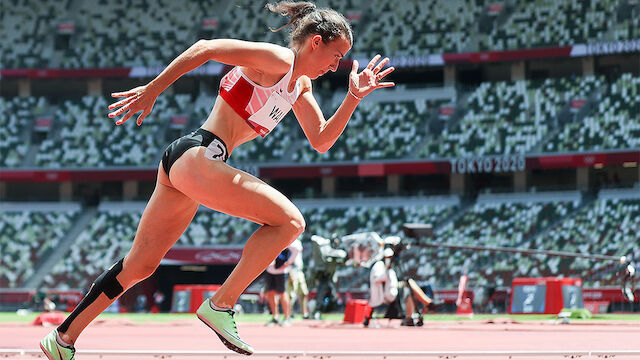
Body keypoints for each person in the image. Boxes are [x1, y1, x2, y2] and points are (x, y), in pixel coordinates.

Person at [39, 1, 394, 358]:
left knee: (140, 266)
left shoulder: (300, 86)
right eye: (336, 56)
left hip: (188, 162)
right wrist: (153, 89)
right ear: (315, 42)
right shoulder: (278, 60)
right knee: (290, 222)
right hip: (200, 154)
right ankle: (221, 305)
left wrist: (352, 97)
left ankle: (62, 339)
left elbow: (320, 140)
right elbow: (206, 48)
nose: (337, 66)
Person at [264, 240, 300, 326]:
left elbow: (296, 249)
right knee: (270, 293)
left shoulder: (285, 237)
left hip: (282, 271)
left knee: (282, 293)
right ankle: (275, 317)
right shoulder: (268, 238)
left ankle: (287, 318)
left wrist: (289, 262)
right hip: (269, 270)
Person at [287, 238, 310, 319]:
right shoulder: (288, 242)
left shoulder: (298, 242)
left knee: (304, 292)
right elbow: (287, 259)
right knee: (291, 294)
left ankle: (304, 313)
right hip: (292, 269)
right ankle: (289, 313)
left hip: (300, 270)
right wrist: (289, 271)